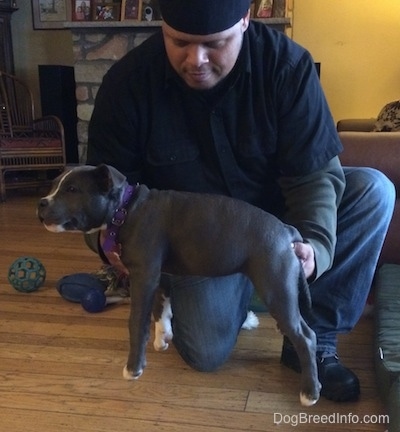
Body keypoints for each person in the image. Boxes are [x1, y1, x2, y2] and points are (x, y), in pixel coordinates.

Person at [85, 0, 395, 402]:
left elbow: (315, 176)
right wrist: (108, 245)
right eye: (179, 42)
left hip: (278, 221)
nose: (195, 59)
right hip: (200, 245)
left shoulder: (288, 67)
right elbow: (104, 196)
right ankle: (259, 289)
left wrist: (315, 245)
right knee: (205, 351)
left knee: (374, 191)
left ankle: (313, 338)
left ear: (247, 19)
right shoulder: (126, 84)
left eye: (214, 44)